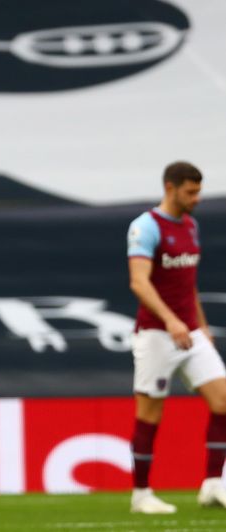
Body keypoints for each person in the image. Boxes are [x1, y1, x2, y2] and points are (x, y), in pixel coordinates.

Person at [126, 161, 226, 513]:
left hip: (191, 332)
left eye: (198, 191)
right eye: (190, 192)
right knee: (150, 415)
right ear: (170, 188)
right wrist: (170, 321)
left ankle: (213, 485)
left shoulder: (191, 226)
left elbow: (188, 283)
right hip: (157, 334)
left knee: (223, 402)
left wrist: (202, 326)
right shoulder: (145, 228)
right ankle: (141, 494)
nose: (197, 198)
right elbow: (139, 282)